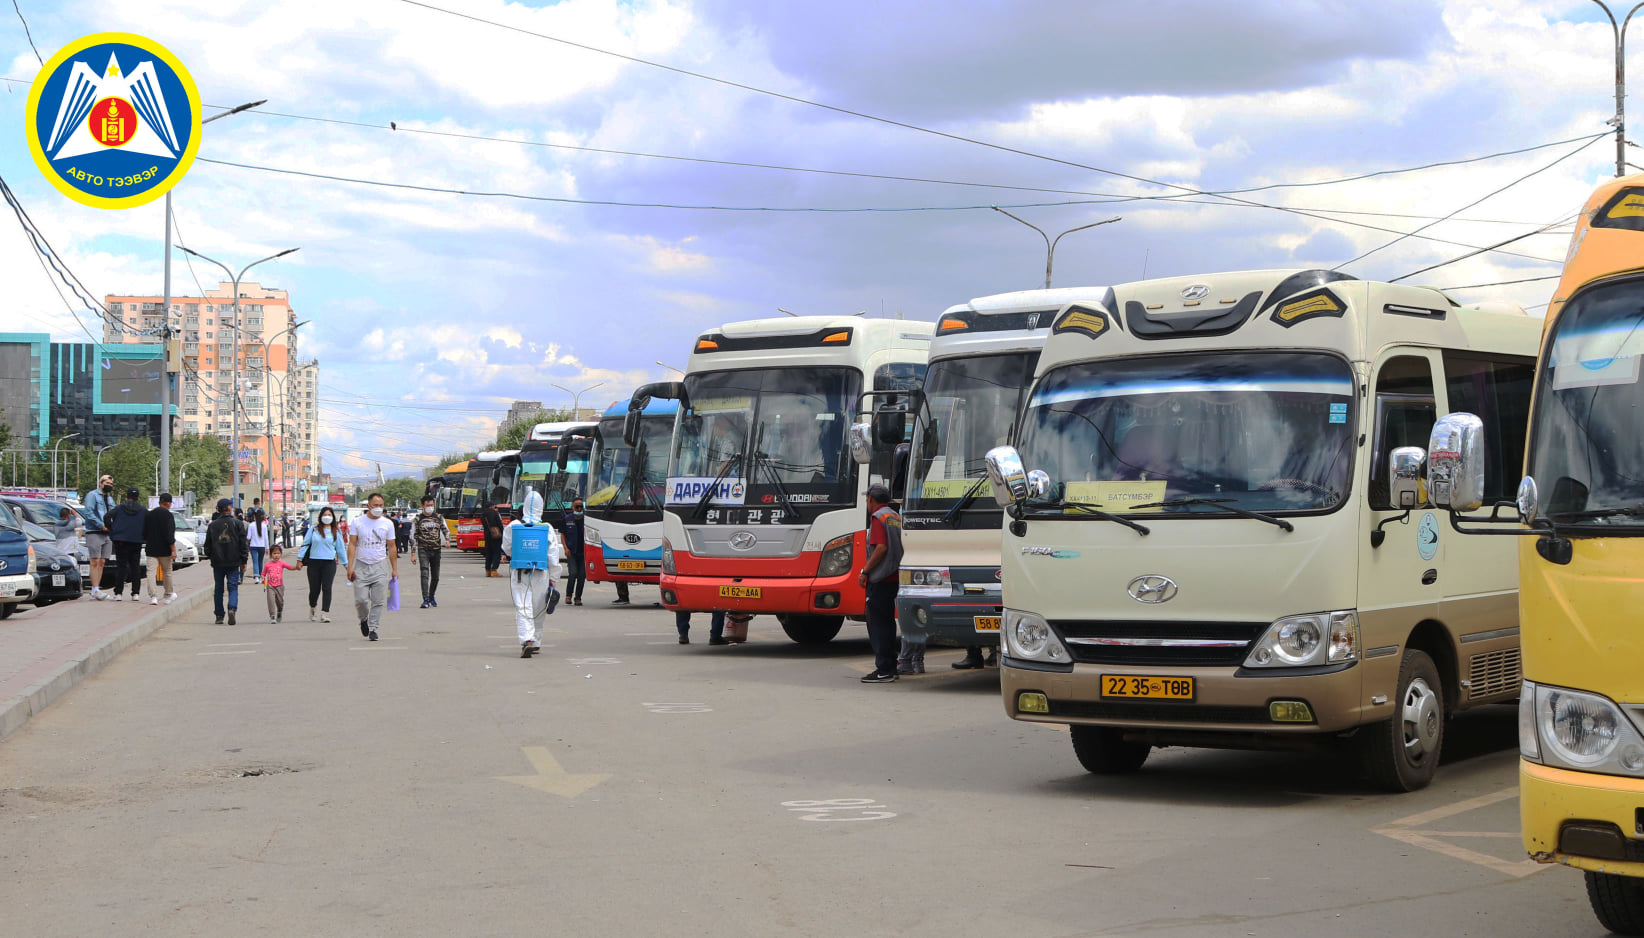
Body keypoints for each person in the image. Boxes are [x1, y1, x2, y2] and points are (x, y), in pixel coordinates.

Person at [501, 491, 561, 657]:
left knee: (523, 606)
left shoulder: (513, 526)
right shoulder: (547, 528)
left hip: (520, 572)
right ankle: (536, 642)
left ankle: (527, 639)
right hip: (541, 573)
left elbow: (506, 548)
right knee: (539, 607)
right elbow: (553, 555)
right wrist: (554, 578)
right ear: (541, 507)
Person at [858, 483, 904, 683]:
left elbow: (881, 548)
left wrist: (865, 571)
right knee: (888, 624)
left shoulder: (878, 517)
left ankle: (884, 669)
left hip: (880, 578)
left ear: (871, 500)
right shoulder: (894, 516)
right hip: (895, 576)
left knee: (878, 626)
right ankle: (891, 666)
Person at [347, 492, 398, 642]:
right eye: (375, 505)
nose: (378, 508)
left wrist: (394, 569)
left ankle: (373, 628)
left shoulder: (387, 523)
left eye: (381, 505)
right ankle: (363, 619)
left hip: (380, 565)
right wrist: (350, 566)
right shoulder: (357, 522)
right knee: (361, 600)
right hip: (362, 565)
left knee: (378, 600)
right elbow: (352, 544)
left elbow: (392, 546)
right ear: (369, 505)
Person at [204, 497, 249, 625]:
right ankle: (232, 608)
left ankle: (219, 615)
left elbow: (207, 546)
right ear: (229, 508)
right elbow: (243, 544)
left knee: (218, 588)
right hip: (234, 561)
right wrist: (244, 560)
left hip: (217, 562)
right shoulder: (238, 524)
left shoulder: (212, 525)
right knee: (233, 587)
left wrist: (211, 556)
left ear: (218, 509)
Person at [300, 507, 345, 622]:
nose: (327, 517)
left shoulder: (336, 531)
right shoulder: (314, 529)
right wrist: (299, 559)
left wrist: (346, 564)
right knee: (314, 589)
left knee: (327, 587)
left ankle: (325, 613)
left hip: (329, 563)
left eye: (329, 515)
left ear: (333, 517)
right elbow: (305, 544)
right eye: (325, 514)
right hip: (314, 562)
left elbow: (340, 549)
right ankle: (313, 606)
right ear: (320, 516)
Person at [409, 494, 451, 608]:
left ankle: (432, 595)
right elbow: (412, 536)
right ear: (423, 505)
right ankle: (425, 599)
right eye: (428, 505)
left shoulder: (439, 517)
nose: (430, 507)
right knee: (424, 573)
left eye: (432, 505)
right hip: (423, 549)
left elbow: (446, 530)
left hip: (436, 549)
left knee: (435, 576)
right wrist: (413, 553)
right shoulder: (417, 519)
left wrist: (447, 540)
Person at [106, 487, 147, 602]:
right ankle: (135, 593)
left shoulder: (119, 508)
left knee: (121, 566)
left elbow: (107, 517)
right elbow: (148, 522)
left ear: (126, 496)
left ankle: (118, 593)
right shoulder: (143, 510)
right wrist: (144, 535)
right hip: (136, 541)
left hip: (121, 540)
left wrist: (112, 530)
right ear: (138, 497)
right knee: (135, 567)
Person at [83, 474, 118, 600]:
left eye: (111, 484)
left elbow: (114, 512)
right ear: (100, 483)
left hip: (107, 533)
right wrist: (101, 525)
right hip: (94, 531)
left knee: (102, 561)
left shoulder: (109, 498)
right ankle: (95, 589)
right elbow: (89, 513)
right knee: (95, 561)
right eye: (107, 483)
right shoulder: (92, 495)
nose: (109, 485)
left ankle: (96, 589)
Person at [142, 492, 178, 606]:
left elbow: (144, 533)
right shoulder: (168, 515)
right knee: (167, 572)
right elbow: (169, 534)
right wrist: (173, 549)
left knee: (151, 573)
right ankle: (168, 594)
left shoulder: (149, 514)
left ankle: (153, 597)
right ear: (168, 503)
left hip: (151, 549)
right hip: (165, 550)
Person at [262, 544, 300, 623]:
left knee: (280, 602)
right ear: (271, 554)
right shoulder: (267, 564)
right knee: (271, 601)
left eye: (278, 553)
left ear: (281, 554)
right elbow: (263, 574)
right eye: (274, 553)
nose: (276, 555)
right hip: (270, 586)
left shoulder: (281, 563)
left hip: (279, 586)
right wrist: (263, 579)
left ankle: (279, 611)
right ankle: (272, 616)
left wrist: (296, 567)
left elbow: (290, 567)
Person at [561, 497, 587, 605]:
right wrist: (565, 548)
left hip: (583, 552)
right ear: (573, 507)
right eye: (577, 507)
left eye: (581, 506)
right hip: (571, 551)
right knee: (573, 573)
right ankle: (568, 595)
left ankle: (578, 598)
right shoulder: (567, 519)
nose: (579, 509)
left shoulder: (586, 520)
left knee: (582, 575)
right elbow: (562, 534)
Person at [480, 499, 505, 577]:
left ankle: (488, 571)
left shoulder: (483, 514)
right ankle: (494, 570)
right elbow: (499, 524)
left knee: (488, 553)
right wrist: (502, 532)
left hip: (487, 535)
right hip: (496, 535)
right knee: (497, 552)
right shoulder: (495, 513)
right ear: (491, 506)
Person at [247, 510, 269, 583]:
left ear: (254, 516)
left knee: (255, 561)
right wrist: (267, 548)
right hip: (262, 546)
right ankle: (261, 576)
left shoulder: (251, 525)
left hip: (253, 545)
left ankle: (256, 577)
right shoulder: (264, 526)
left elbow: (248, 537)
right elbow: (266, 538)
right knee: (260, 561)